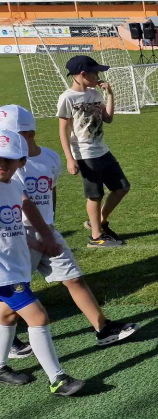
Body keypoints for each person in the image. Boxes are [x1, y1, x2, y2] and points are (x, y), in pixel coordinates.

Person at [0, 104, 138, 356]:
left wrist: (49, 224)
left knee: (73, 278)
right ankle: (7, 340)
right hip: (19, 236)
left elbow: (50, 189)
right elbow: (21, 202)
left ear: (28, 134)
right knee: (12, 294)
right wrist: (36, 236)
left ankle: (103, 329)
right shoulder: (7, 166)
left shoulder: (49, 157)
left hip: (47, 231)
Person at [0, 129, 85, 395]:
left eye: (8, 160)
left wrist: (37, 243)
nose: (2, 165)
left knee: (7, 314)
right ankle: (58, 379)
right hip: (4, 274)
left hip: (16, 266)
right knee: (37, 316)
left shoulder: (13, 186)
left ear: (21, 162)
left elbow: (10, 228)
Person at [56, 55, 130, 249]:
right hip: (84, 154)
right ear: (82, 74)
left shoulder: (95, 94)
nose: (98, 76)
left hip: (102, 150)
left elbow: (108, 119)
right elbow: (63, 130)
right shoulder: (67, 98)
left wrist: (110, 94)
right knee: (95, 195)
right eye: (95, 72)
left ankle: (97, 222)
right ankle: (96, 236)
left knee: (122, 187)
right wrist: (69, 159)